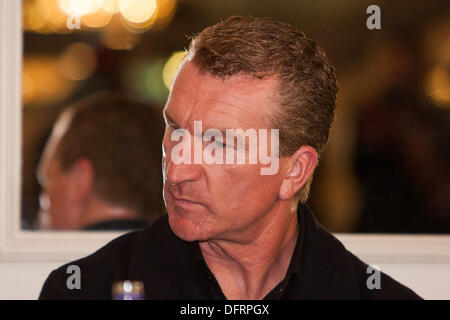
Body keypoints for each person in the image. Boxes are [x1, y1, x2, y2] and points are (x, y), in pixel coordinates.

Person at [39, 16, 420, 299]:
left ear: (295, 170)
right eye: (175, 129)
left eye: (218, 143)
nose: (176, 169)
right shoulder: (85, 289)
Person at [36, 92, 164, 231]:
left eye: (46, 181)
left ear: (80, 180)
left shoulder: (74, 252)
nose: (43, 202)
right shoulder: (174, 250)